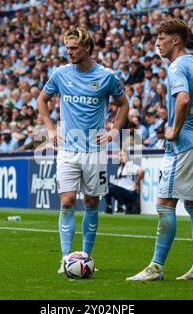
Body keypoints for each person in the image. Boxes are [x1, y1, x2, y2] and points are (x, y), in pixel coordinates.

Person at [127, 19, 193, 281]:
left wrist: (175, 131)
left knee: (165, 205)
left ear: (176, 40)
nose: (157, 43)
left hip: (183, 146)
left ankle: (155, 268)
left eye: (162, 37)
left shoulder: (177, 66)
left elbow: (183, 99)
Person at [37, 27, 129, 274]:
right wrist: (51, 129)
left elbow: (123, 105)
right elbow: (41, 100)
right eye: (67, 48)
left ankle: (86, 257)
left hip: (94, 152)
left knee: (91, 202)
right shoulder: (60, 74)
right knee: (66, 201)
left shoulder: (106, 76)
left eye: (74, 47)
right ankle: (66, 258)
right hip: (67, 150)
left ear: (87, 48)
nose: (70, 52)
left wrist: (113, 131)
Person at [105, 150, 144, 214]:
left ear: (127, 157)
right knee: (106, 186)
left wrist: (137, 183)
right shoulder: (120, 167)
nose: (121, 157)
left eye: (123, 155)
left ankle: (122, 207)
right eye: (119, 156)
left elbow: (141, 171)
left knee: (113, 188)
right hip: (121, 192)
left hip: (130, 193)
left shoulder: (130, 165)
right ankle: (109, 207)